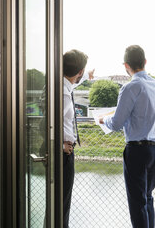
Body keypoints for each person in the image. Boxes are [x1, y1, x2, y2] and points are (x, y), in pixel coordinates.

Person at [99, 45, 155, 228]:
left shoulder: (131, 87)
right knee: (148, 198)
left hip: (137, 150)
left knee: (137, 203)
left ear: (126, 65)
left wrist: (102, 120)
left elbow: (116, 123)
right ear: (145, 62)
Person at [63, 49, 94, 228]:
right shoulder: (62, 93)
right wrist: (60, 145)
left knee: (60, 201)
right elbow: (47, 123)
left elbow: (72, 83)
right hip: (63, 152)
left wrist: (85, 76)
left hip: (64, 150)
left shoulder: (63, 85)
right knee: (62, 203)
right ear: (79, 71)